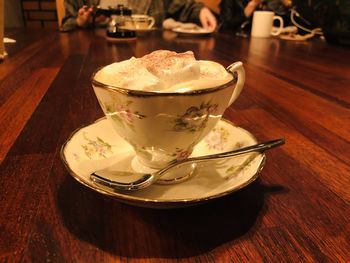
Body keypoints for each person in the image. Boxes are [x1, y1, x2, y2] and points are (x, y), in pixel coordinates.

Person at [61, 0, 217, 32]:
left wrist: (200, 11)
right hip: (91, 58)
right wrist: (80, 22)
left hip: (145, 54)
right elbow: (66, 23)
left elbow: (183, 5)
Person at [219, 0, 291, 31]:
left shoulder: (267, 2)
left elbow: (282, 22)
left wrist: (286, 5)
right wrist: (251, 6)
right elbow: (226, 25)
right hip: (232, 45)